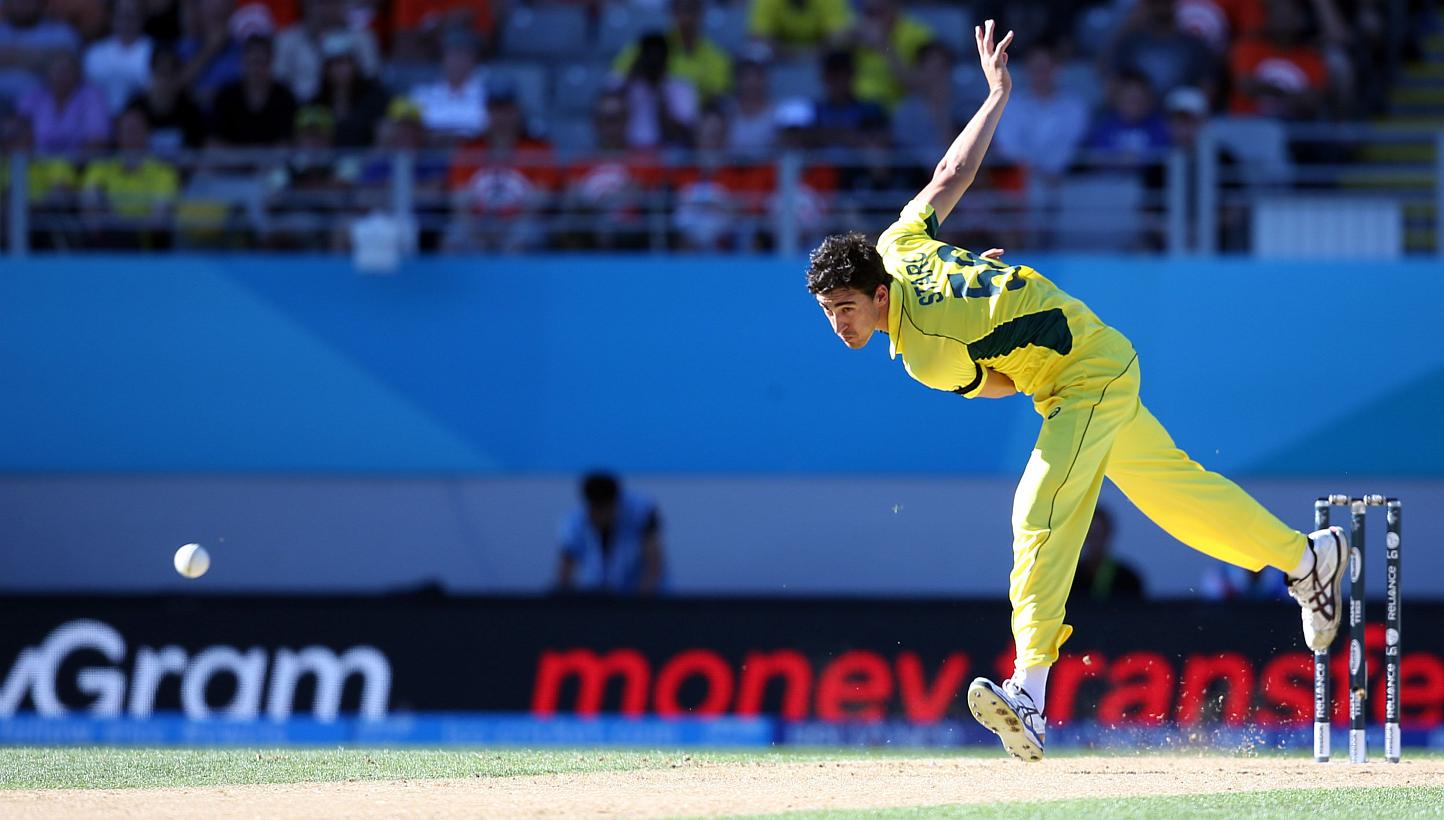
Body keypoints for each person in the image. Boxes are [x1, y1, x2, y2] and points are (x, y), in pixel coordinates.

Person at [804, 20, 1348, 763]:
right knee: (1179, 498)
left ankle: (1029, 690)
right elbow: (949, 179)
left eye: (845, 310)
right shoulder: (900, 244)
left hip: (1080, 379)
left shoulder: (924, 356)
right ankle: (1306, 560)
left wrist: (991, 322)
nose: (839, 326)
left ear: (874, 292)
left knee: (1041, 509)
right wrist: (996, 96)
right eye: (829, 315)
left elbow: (997, 385)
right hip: (1098, 355)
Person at [556, 472, 665, 596]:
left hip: (642, 594)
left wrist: (643, 599)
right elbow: (565, 569)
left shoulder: (641, 512)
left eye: (604, 509)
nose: (600, 515)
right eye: (596, 509)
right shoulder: (574, 523)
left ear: (616, 502)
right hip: (600, 596)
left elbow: (654, 561)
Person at [1069, 506, 1145, 602]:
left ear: (1108, 534)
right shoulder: (1070, 579)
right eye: (1090, 534)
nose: (1094, 541)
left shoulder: (1128, 579)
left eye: (1098, 534)